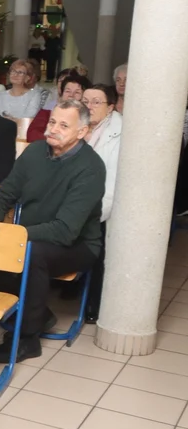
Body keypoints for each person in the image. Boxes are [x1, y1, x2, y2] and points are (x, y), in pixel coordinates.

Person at [0, 100, 105, 362]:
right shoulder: (35, 152)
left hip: (78, 245)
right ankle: (40, 313)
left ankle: (27, 339)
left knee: (30, 254)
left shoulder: (91, 168)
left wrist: (13, 238)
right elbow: (3, 197)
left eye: (63, 125)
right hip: (30, 235)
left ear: (82, 132)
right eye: (51, 122)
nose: (53, 129)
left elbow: (66, 230)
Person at [81, 84, 121, 323]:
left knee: (99, 251)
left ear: (110, 108)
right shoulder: (74, 126)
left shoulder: (118, 133)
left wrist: (94, 213)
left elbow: (112, 184)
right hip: (70, 203)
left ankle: (94, 303)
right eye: (86, 100)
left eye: (97, 102)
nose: (89, 106)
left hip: (100, 207)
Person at [0, 59, 47, 140]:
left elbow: (28, 119)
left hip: (22, 137)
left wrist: (7, 120)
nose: (15, 74)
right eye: (13, 71)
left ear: (27, 78)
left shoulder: (34, 95)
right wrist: (14, 120)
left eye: (20, 72)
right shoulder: (0, 95)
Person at [28, 73, 91, 142]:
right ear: (61, 94)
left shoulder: (88, 117)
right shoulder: (47, 113)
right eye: (67, 91)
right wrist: (58, 140)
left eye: (77, 92)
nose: (71, 95)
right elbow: (32, 135)